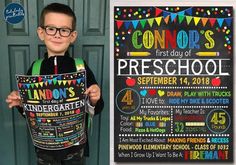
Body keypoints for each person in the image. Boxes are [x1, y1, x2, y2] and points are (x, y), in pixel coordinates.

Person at [5, 3, 104, 165]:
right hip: (45, 150)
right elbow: (32, 116)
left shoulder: (81, 67)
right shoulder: (35, 68)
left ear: (72, 36)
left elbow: (98, 108)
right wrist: (22, 105)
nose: (57, 35)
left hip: (75, 149)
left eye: (64, 30)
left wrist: (94, 98)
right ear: (41, 32)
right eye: (51, 29)